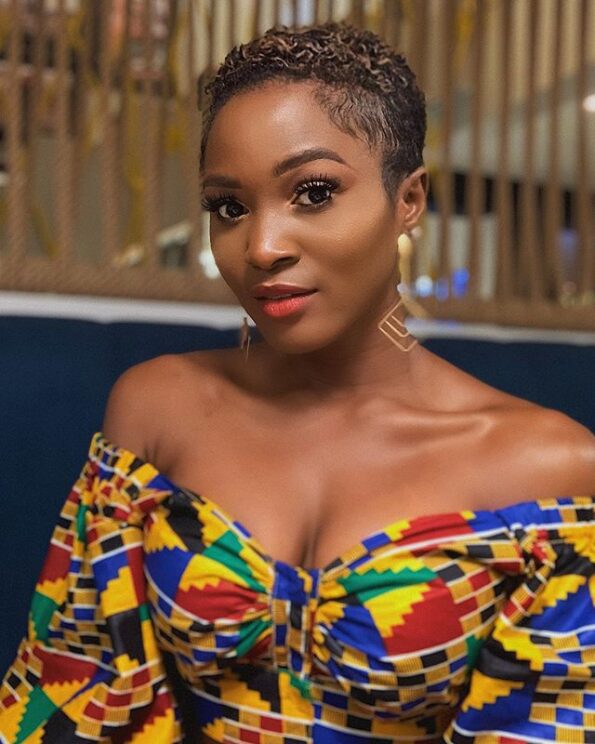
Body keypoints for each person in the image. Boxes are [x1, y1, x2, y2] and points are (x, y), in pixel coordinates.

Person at [1, 21, 593, 744]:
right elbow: (80, 693)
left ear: (408, 200)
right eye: (229, 207)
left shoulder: (546, 469)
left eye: (313, 192)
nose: (261, 247)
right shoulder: (157, 410)